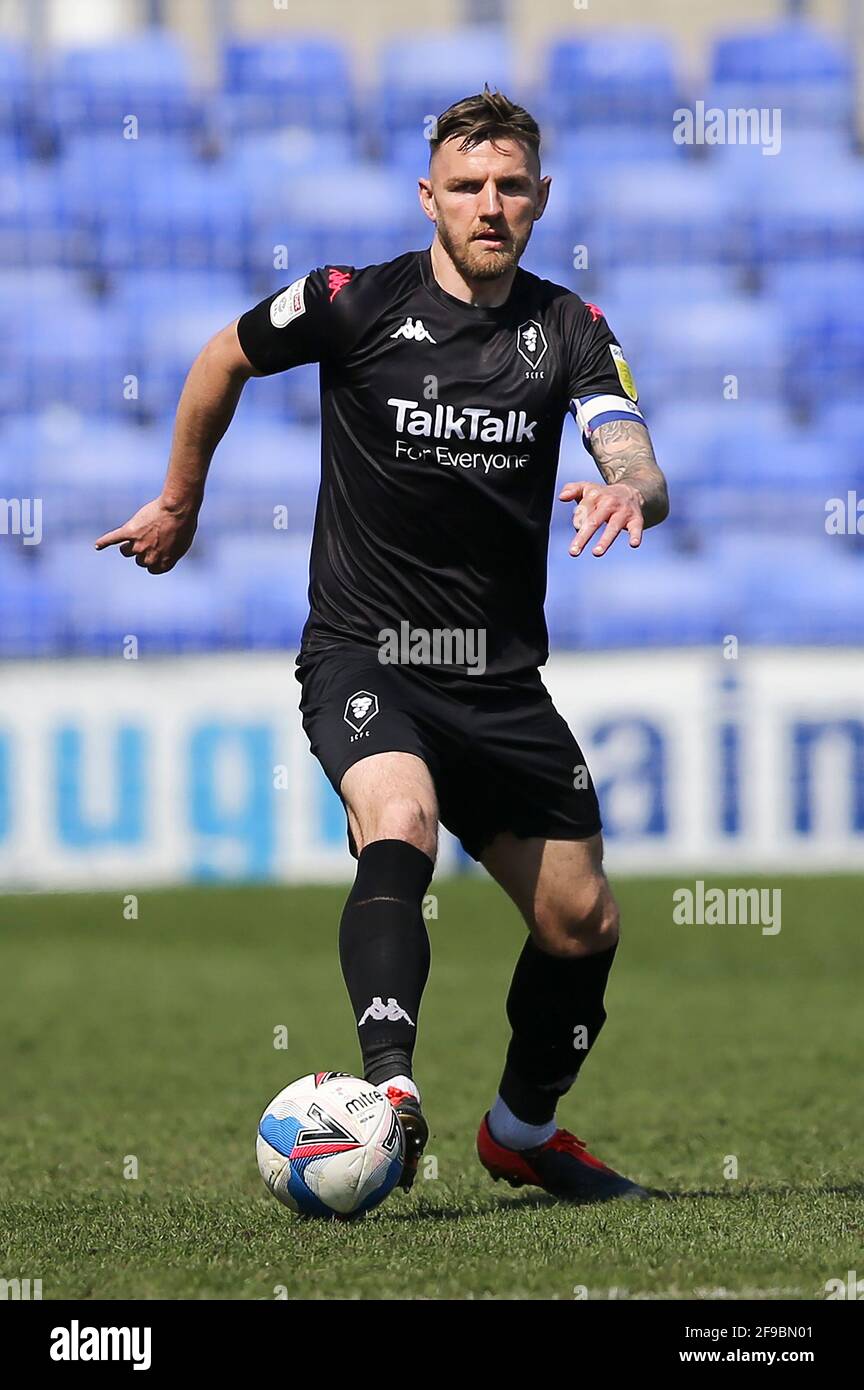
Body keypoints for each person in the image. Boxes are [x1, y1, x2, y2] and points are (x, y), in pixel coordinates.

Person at [96, 89, 669, 1202]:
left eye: (510, 186)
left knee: (582, 918)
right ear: (429, 197)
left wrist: (631, 490)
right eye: (467, 186)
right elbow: (222, 355)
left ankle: (522, 1130)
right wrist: (180, 499)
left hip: (499, 678)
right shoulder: (350, 300)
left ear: (542, 199)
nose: (490, 205)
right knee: (397, 817)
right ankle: (388, 1096)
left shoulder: (571, 329)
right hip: (367, 650)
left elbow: (630, 444)